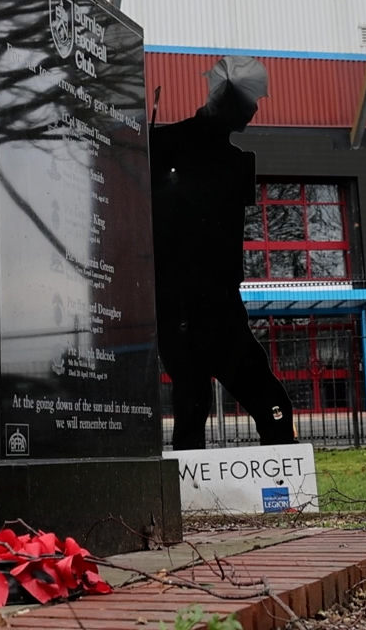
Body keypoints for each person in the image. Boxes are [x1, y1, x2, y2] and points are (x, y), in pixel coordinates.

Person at [151, 56, 296, 449]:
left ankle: (267, 487)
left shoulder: (222, 159)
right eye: (252, 103)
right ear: (232, 101)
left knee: (205, 400)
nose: (255, 110)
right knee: (198, 400)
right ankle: (200, 495)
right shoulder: (165, 146)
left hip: (209, 303)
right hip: (186, 303)